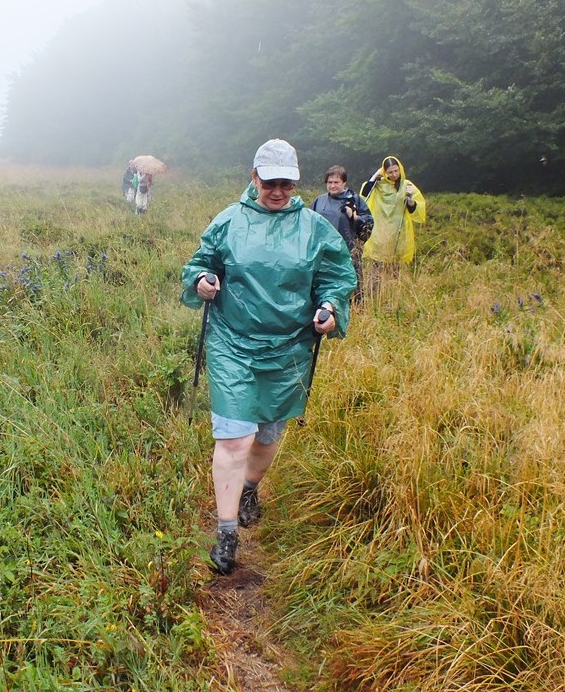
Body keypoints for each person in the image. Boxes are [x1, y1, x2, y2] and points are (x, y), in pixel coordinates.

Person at [180, 138, 357, 575]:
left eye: (286, 184)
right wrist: (202, 279)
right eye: (269, 183)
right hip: (233, 343)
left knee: (267, 436)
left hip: (289, 347)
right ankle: (226, 532)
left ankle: (249, 488)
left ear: (296, 182)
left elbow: (337, 277)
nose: (277, 191)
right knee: (234, 438)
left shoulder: (314, 228)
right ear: (254, 177)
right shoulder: (229, 221)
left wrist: (329, 308)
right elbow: (201, 263)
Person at [359, 156, 426, 288]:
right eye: (390, 172)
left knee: (395, 268)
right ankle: (375, 294)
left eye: (396, 171)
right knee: (377, 268)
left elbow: (415, 209)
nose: (394, 174)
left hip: (398, 233)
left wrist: (410, 198)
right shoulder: (379, 185)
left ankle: (392, 293)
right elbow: (364, 194)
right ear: (385, 172)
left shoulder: (406, 185)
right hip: (380, 233)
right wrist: (375, 175)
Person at [311, 165, 373, 303]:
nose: (332, 186)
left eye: (336, 182)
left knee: (351, 283)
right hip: (323, 252)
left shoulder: (354, 200)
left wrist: (355, 217)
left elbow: (369, 222)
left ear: (344, 183)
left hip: (347, 251)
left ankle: (356, 308)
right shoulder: (319, 201)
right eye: (330, 182)